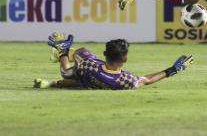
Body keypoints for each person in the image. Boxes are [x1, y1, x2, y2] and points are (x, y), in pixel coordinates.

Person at [33, 33, 193, 90]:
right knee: (80, 80)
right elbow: (148, 80)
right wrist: (173, 69)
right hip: (89, 83)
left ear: (104, 54)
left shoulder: (89, 63)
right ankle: (60, 57)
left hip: (84, 77)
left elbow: (66, 73)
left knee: (79, 57)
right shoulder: (126, 81)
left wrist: (64, 54)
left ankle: (61, 51)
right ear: (125, 59)